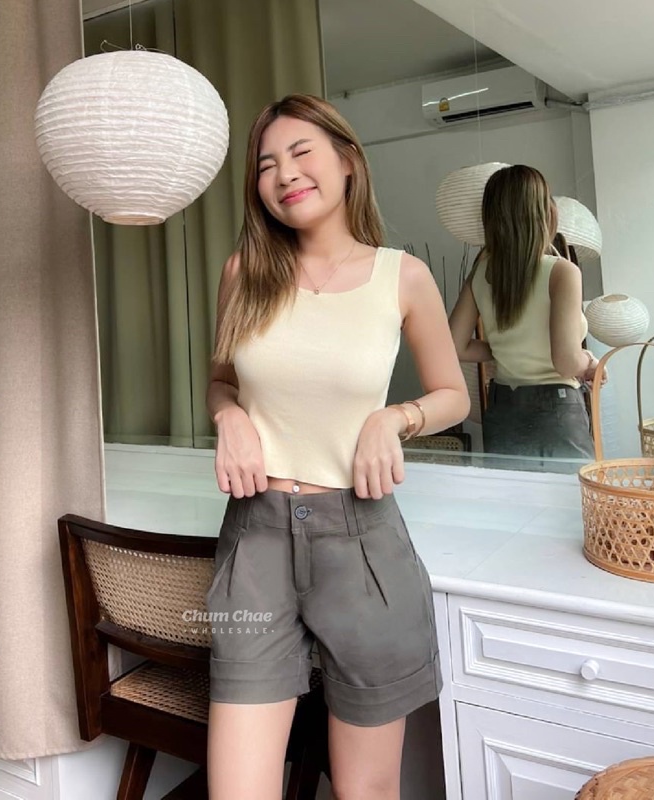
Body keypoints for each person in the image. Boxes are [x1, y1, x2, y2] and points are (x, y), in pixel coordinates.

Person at [205, 94, 470, 799]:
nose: (284, 174)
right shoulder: (244, 272)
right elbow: (221, 382)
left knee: (366, 791)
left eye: (301, 153)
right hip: (255, 540)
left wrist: (395, 418)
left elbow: (453, 394)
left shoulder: (401, 275)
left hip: (363, 543)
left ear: (348, 161)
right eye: (266, 164)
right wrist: (229, 416)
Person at [448, 165, 599, 461]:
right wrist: (592, 364)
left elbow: (455, 346)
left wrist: (506, 349)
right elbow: (567, 361)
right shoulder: (561, 272)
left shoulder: (481, 274)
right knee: (568, 491)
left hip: (504, 406)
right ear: (546, 212)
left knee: (512, 491)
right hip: (556, 409)